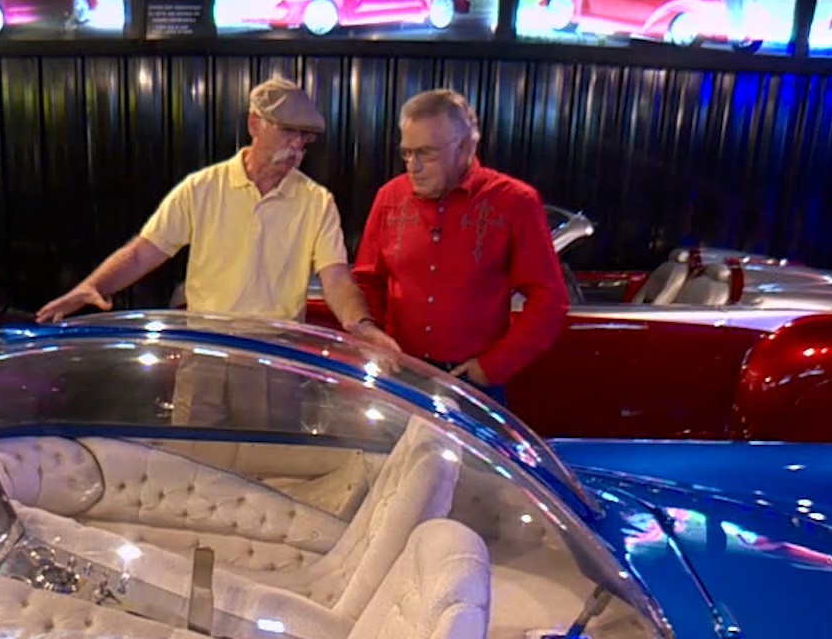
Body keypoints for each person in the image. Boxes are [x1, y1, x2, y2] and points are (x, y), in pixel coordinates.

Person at [36, 75, 386, 352]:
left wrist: (360, 325)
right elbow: (143, 253)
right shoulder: (202, 188)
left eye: (305, 138)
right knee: (197, 427)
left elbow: (336, 278)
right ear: (254, 125)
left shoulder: (317, 201)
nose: (296, 146)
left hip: (277, 356)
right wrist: (91, 287)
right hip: (205, 350)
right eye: (287, 132)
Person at [351, 89, 568, 404]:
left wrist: (492, 366)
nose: (413, 166)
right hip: (399, 371)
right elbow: (366, 279)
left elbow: (549, 300)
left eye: (426, 153)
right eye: (407, 153)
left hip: (472, 379)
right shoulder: (390, 197)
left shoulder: (513, 202)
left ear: (466, 146)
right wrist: (373, 337)